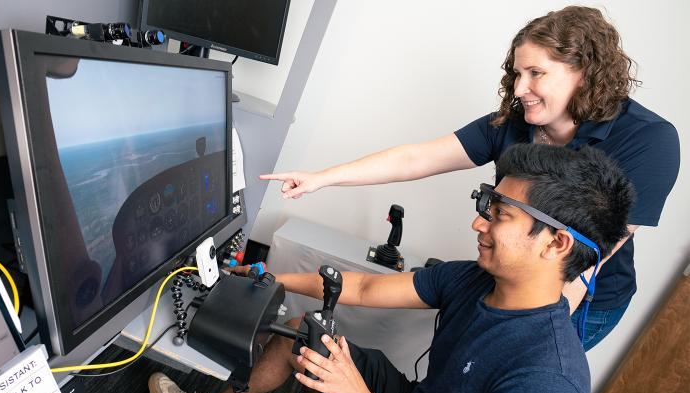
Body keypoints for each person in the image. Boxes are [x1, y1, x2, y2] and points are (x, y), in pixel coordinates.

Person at [148, 143, 635, 393]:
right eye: (485, 204)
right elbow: (361, 286)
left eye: (499, 214)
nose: (477, 222)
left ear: (557, 242)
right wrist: (266, 279)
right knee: (304, 333)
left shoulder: (549, 386)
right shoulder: (473, 279)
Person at [260, 5, 680, 351]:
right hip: (507, 268)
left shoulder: (649, 140)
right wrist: (321, 177)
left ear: (584, 72)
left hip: (585, 295)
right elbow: (415, 158)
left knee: (512, 378)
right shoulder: (514, 123)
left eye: (536, 74)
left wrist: (526, 334)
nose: (519, 88)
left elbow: (587, 261)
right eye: (517, 74)